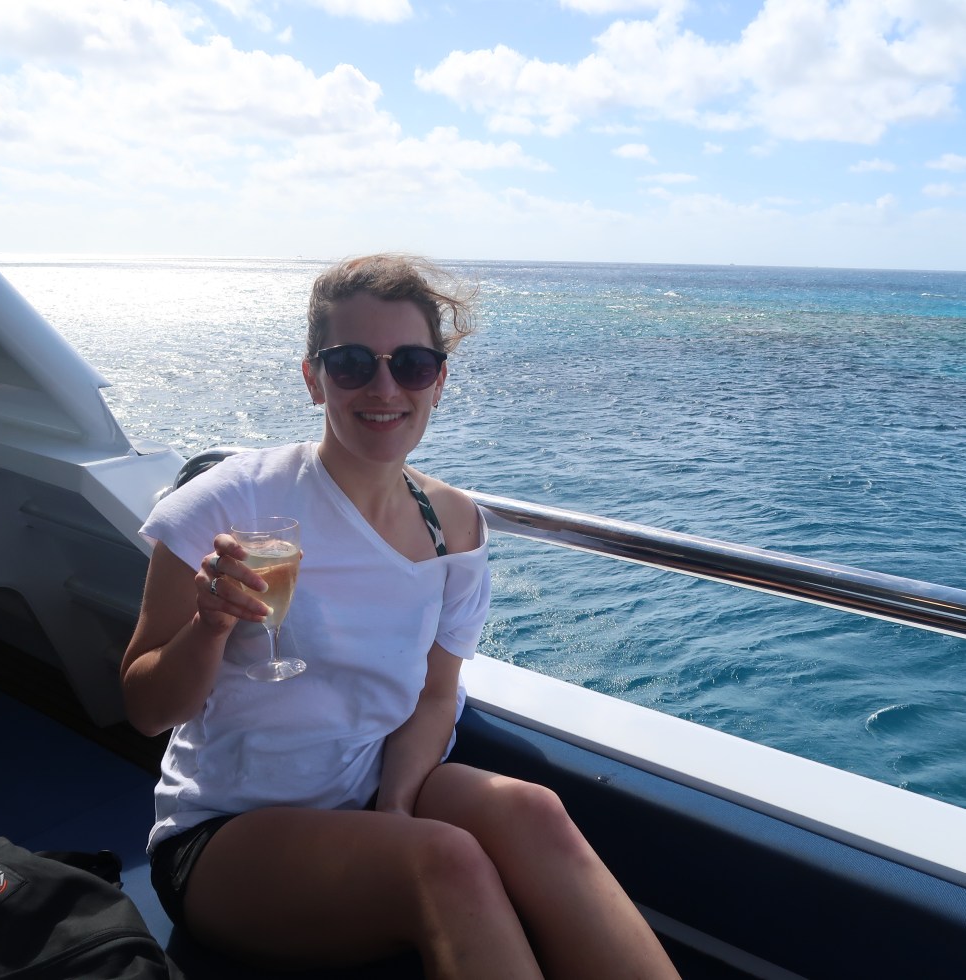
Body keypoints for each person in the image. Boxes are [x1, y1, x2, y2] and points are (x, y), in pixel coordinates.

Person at [121, 254, 680, 980]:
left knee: (534, 812)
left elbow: (436, 693)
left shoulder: (456, 528)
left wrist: (392, 809)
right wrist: (210, 625)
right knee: (444, 863)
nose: (383, 387)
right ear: (313, 376)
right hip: (225, 836)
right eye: (352, 362)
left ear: (439, 381)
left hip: (366, 793)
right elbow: (142, 706)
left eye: (412, 363)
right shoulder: (228, 504)